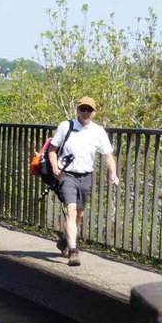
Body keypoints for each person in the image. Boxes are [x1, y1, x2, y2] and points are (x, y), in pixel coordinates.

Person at [46, 96, 120, 267]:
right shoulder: (66, 126)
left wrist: (113, 174)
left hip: (86, 175)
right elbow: (52, 150)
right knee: (70, 211)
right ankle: (73, 250)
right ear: (77, 109)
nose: (85, 112)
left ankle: (65, 237)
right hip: (67, 175)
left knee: (79, 213)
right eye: (82, 109)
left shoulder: (98, 131)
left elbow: (107, 155)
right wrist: (55, 168)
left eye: (89, 109)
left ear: (94, 112)